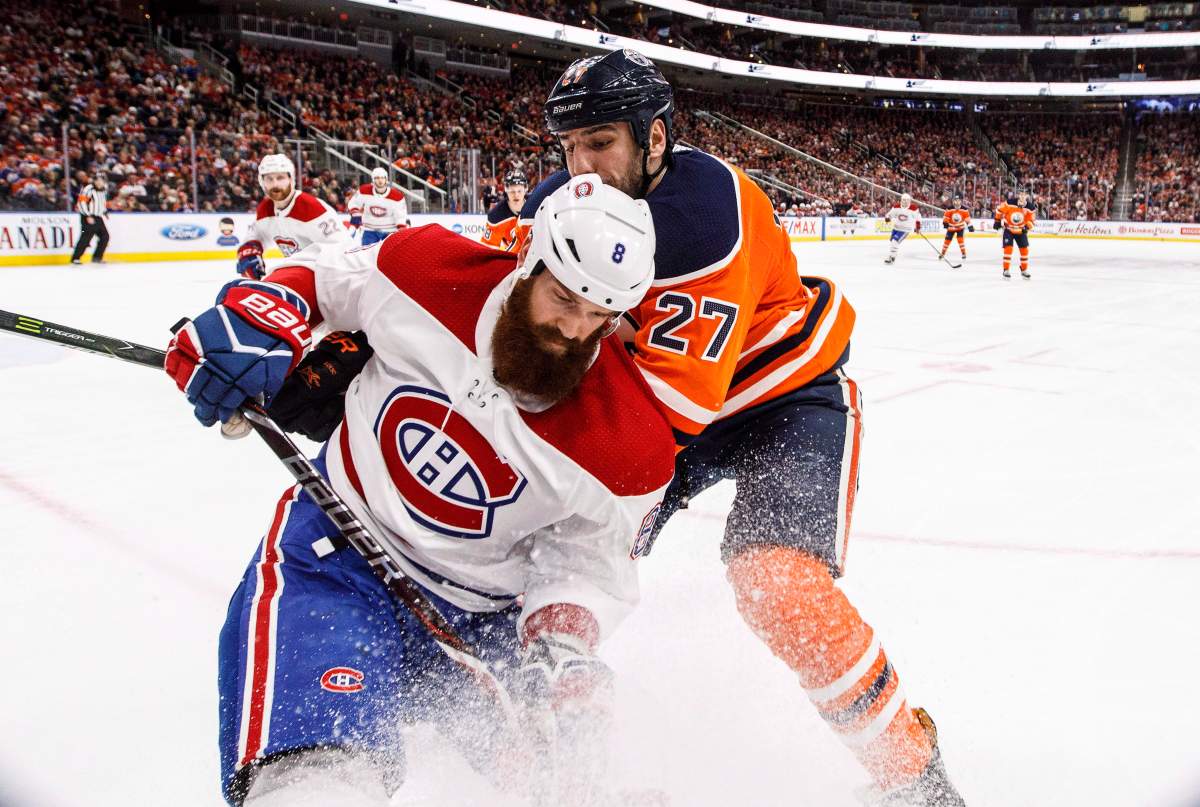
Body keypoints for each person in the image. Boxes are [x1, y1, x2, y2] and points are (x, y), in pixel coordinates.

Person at [521, 50, 963, 805]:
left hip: (779, 398)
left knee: (777, 583)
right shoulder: (558, 202)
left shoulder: (705, 211)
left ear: (654, 139)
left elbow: (670, 416)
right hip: (662, 402)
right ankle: (528, 737)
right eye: (568, 148)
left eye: (600, 143)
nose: (581, 167)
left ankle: (914, 776)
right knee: (539, 557)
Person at [163, 173, 675, 807]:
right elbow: (324, 278)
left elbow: (587, 569)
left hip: (483, 622)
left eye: (602, 314)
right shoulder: (428, 269)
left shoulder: (630, 448)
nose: (575, 331)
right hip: (336, 553)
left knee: (570, 780)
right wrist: (263, 316)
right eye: (565, 299)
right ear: (528, 260)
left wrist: (562, 645)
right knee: (315, 780)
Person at [236, 153, 350, 280]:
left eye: (280, 178)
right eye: (269, 179)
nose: (275, 184)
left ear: (291, 179)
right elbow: (256, 235)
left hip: (328, 277)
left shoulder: (312, 208)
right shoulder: (265, 208)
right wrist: (249, 252)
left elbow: (343, 250)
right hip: (298, 274)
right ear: (262, 182)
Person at [347, 166, 408, 247]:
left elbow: (401, 216)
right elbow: (353, 203)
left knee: (388, 256)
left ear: (386, 179)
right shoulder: (364, 191)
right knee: (367, 256)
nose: (380, 180)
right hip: (369, 230)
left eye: (382, 178)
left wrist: (401, 230)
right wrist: (355, 215)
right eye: (377, 178)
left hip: (390, 231)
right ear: (373, 179)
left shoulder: (397, 196)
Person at [480, 168, 528, 252]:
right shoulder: (496, 216)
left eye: (519, 191)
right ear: (506, 189)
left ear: (525, 189)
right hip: (513, 258)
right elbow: (488, 249)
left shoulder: (535, 205)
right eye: (512, 191)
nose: (516, 195)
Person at [993, 191, 1035, 279]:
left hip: (1020, 231)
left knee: (1024, 250)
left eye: (1024, 194)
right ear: (1018, 195)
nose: (1022, 196)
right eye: (1021, 194)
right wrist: (997, 221)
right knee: (1008, 249)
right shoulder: (1009, 203)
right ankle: (1006, 270)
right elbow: (999, 210)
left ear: (1027, 196)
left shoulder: (1030, 207)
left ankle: (1024, 270)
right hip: (1009, 230)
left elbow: (1031, 221)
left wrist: (1026, 227)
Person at [70, 174, 109, 265]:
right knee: (86, 238)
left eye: (101, 181)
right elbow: (81, 203)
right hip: (88, 216)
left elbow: (101, 203)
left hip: (98, 217)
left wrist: (104, 211)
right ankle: (76, 258)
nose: (99, 183)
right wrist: (87, 215)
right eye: (98, 180)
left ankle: (97, 257)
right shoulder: (88, 189)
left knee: (105, 237)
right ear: (94, 181)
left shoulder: (103, 190)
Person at [883, 192, 921, 265]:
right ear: (901, 200)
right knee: (892, 241)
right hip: (896, 228)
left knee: (895, 241)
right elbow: (890, 214)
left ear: (909, 201)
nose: (905, 202)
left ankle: (892, 257)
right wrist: (887, 218)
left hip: (905, 230)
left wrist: (918, 227)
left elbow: (918, 218)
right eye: (904, 200)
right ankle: (892, 255)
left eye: (907, 200)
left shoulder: (913, 208)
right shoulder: (896, 207)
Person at [940, 197, 973, 262]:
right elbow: (946, 217)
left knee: (960, 240)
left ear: (961, 201)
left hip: (960, 228)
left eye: (958, 201)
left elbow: (967, 219)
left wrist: (970, 226)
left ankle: (963, 253)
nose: (957, 202)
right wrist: (945, 223)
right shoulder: (949, 209)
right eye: (956, 201)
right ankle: (942, 253)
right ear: (953, 201)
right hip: (951, 228)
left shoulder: (964, 209)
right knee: (947, 241)